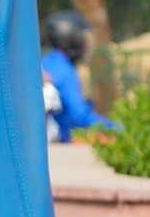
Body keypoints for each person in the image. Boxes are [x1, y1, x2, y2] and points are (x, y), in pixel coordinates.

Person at [42, 9, 119, 141]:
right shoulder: (65, 70)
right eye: (84, 38)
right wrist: (116, 127)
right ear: (72, 38)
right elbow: (79, 115)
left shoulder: (47, 61)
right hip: (58, 140)